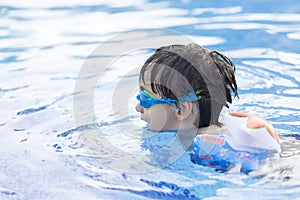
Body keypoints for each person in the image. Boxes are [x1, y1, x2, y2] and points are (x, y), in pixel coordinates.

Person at [135, 43, 280, 173]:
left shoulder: (203, 147)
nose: (137, 107)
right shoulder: (225, 131)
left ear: (181, 109)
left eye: (144, 99)